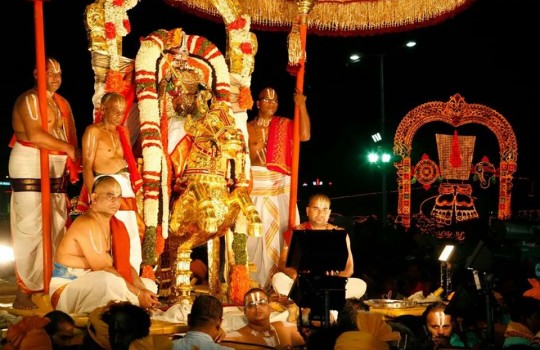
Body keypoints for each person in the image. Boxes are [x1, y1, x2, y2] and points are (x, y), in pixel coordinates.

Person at [9, 57, 80, 310]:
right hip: (30, 161)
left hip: (56, 165)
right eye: (50, 72)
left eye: (59, 73)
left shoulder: (62, 103)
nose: (56, 77)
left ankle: (53, 282)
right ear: (37, 73)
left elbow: (68, 135)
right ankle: (24, 290)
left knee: (58, 225)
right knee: (31, 227)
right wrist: (69, 149)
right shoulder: (28, 99)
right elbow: (36, 135)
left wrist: (73, 158)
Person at [49, 176, 159, 314]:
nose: (115, 201)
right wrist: (137, 294)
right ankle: (130, 310)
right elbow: (104, 268)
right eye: (109, 196)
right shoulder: (87, 223)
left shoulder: (116, 225)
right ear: (94, 198)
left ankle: (131, 309)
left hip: (95, 279)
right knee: (108, 282)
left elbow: (124, 264)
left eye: (118, 196)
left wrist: (142, 290)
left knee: (149, 285)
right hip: (67, 287)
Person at [246, 86, 311, 288]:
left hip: (279, 187)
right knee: (253, 237)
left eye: (275, 100)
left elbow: (305, 135)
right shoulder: (246, 127)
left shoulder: (285, 124)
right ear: (257, 103)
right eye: (267, 99)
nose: (272, 103)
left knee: (282, 234)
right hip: (255, 185)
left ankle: (279, 283)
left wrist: (301, 105)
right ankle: (253, 283)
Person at [80, 92, 143, 273]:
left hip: (125, 187)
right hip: (105, 186)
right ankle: (113, 279)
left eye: (122, 111)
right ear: (103, 108)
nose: (119, 115)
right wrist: (94, 196)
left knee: (131, 234)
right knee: (111, 235)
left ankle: (132, 277)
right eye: (115, 110)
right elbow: (87, 166)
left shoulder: (122, 132)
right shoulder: (93, 131)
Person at [271, 193, 355, 297]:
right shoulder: (295, 232)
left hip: (331, 283)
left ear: (329, 213)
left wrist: (336, 281)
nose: (320, 213)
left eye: (325, 209)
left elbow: (349, 266)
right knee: (278, 279)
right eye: (316, 208)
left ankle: (325, 298)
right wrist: (295, 275)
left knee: (360, 285)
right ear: (307, 211)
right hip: (303, 282)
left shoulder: (340, 233)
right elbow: (282, 262)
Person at [224, 288, 305, 349]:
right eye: (251, 304)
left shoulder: (284, 329)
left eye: (262, 303)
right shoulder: (237, 338)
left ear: (270, 307)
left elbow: (312, 339)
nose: (257, 307)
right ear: (245, 311)